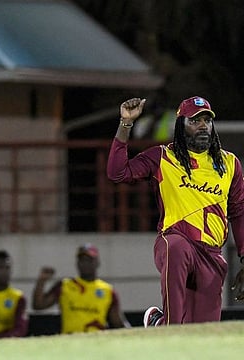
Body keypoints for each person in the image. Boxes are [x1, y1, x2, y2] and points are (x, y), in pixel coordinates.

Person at [107, 96, 244, 326]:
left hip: (211, 255)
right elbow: (117, 172)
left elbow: (239, 211)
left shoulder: (229, 163)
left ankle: (157, 323)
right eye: (194, 121)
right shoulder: (162, 157)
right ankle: (169, 326)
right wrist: (125, 124)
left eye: (207, 121)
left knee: (203, 335)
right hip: (174, 243)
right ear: (181, 126)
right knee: (177, 247)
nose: (203, 126)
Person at [32, 243, 130, 333]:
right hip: (69, 342)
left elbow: (118, 323)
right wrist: (41, 281)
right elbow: (38, 305)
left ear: (97, 263)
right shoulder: (65, 285)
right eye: (82, 260)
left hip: (96, 343)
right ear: (77, 263)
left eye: (89, 260)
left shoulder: (108, 291)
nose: (85, 263)